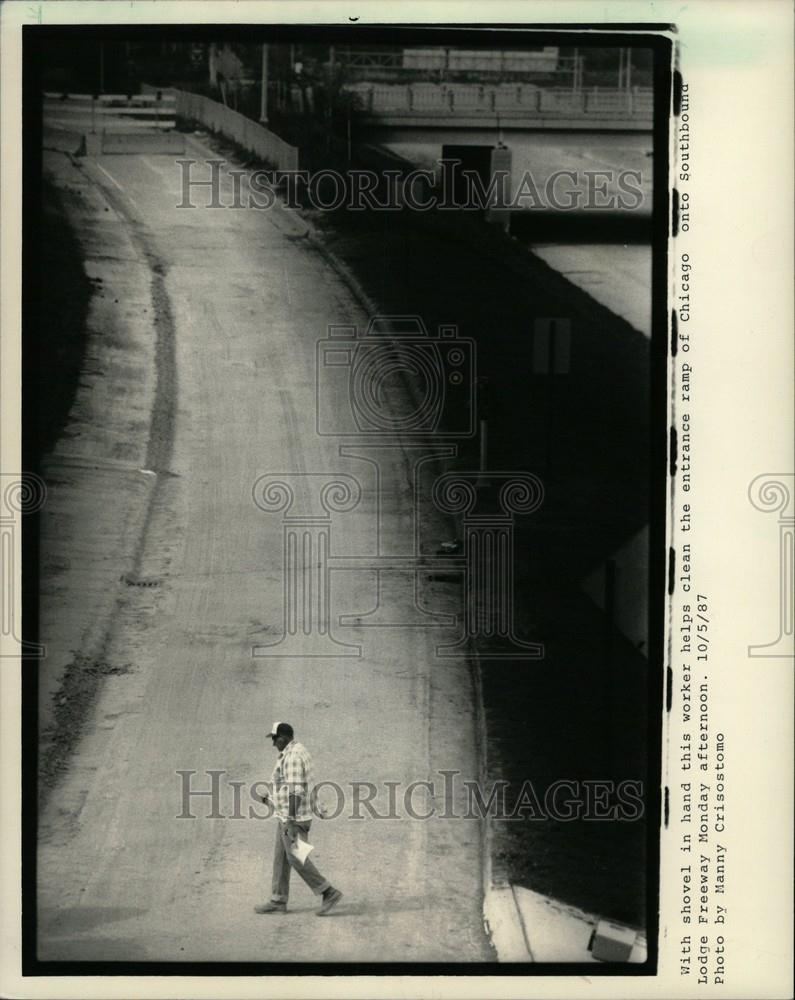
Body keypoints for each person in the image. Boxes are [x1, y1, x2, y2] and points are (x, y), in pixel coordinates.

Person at [254, 721, 343, 916]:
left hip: (293, 816)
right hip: (285, 814)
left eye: (275, 739)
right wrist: (267, 799)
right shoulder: (296, 750)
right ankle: (278, 900)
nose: (273, 743)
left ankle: (328, 892)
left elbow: (295, 791)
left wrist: (291, 821)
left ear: (284, 738)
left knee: (295, 856)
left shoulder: (293, 757)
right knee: (281, 858)